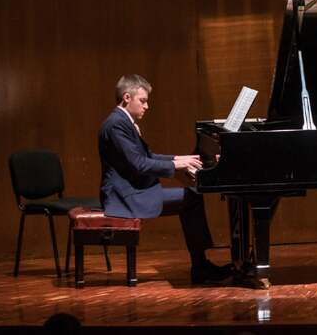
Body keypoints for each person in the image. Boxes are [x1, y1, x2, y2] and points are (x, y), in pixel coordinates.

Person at [98, 74, 232, 285]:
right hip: (125, 196)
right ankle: (200, 267)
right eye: (143, 101)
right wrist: (176, 165)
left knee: (192, 197)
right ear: (127, 97)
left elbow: (148, 157)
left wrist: (179, 158)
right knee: (192, 198)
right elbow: (140, 165)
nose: (147, 106)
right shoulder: (116, 125)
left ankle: (201, 266)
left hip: (132, 190)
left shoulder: (122, 121)